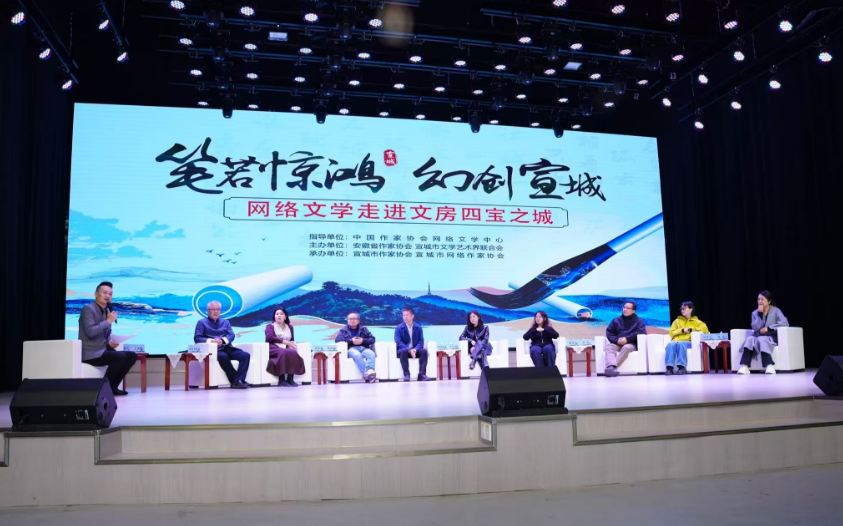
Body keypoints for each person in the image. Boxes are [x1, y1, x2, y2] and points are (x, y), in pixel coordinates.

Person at [78, 281, 137, 396]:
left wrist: (110, 342)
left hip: (103, 350)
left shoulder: (107, 311)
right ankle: (102, 391)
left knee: (132, 356)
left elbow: (106, 333)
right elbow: (90, 332)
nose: (107, 296)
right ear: (96, 294)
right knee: (120, 357)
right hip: (91, 353)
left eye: (110, 294)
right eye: (104, 293)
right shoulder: (88, 309)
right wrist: (108, 321)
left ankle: (113, 387)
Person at [194, 300, 250, 389]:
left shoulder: (225, 322)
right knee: (223, 356)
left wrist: (222, 341)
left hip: (227, 348)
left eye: (218, 309)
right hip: (214, 351)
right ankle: (236, 381)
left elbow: (231, 335)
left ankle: (238, 380)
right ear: (208, 311)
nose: (216, 312)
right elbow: (197, 338)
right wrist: (212, 341)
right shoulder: (201, 322)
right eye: (213, 309)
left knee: (245, 355)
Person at [737, 291, 789, 375]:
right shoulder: (755, 313)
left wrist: (769, 328)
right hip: (757, 336)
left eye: (762, 299)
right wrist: (760, 314)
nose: (760, 301)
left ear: (769, 301)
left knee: (763, 340)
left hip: (771, 336)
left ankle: (769, 365)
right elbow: (755, 328)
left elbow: (785, 323)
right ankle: (745, 366)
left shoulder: (776, 311)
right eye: (758, 299)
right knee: (749, 339)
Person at [604, 301, 647, 377]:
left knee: (626, 347)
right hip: (618, 343)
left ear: (633, 311)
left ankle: (612, 367)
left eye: (628, 308)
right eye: (624, 307)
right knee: (609, 347)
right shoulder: (616, 320)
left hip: (631, 343)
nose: (625, 309)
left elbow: (641, 332)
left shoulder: (638, 321)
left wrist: (627, 339)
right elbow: (609, 332)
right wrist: (617, 340)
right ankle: (611, 367)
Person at [665, 301, 709, 375]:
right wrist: (682, 330)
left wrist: (693, 330)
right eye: (681, 309)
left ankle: (682, 367)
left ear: (691, 309)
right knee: (670, 344)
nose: (682, 310)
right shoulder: (677, 321)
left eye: (684, 308)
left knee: (681, 343)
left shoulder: (697, 322)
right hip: (676, 341)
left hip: (688, 342)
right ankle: (669, 368)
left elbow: (705, 331)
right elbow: (671, 332)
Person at [265, 307, 305, 386]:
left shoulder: (290, 327)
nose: (279, 315)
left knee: (293, 352)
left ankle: (290, 378)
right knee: (283, 352)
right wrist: (284, 342)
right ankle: (281, 379)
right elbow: (269, 338)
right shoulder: (270, 326)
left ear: (285, 316)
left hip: (285, 347)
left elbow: (291, 339)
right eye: (277, 314)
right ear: (274, 316)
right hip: (273, 347)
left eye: (281, 314)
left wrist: (291, 342)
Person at [335, 312, 378, 382]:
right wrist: (351, 341)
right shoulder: (343, 330)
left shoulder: (364, 329)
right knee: (357, 355)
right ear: (347, 320)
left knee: (371, 354)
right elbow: (337, 340)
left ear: (358, 320)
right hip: (351, 349)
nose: (352, 320)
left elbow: (372, 339)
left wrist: (363, 340)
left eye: (354, 319)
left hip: (363, 348)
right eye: (350, 319)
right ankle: (367, 375)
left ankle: (370, 371)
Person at [394, 307, 434, 381]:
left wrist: (415, 350)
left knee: (424, 351)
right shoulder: (398, 328)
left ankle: (422, 375)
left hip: (416, 350)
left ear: (412, 316)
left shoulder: (418, 327)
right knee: (403, 351)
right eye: (403, 315)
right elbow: (398, 342)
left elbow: (421, 341)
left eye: (407, 315)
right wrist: (409, 350)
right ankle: (406, 374)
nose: (405, 317)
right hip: (404, 351)